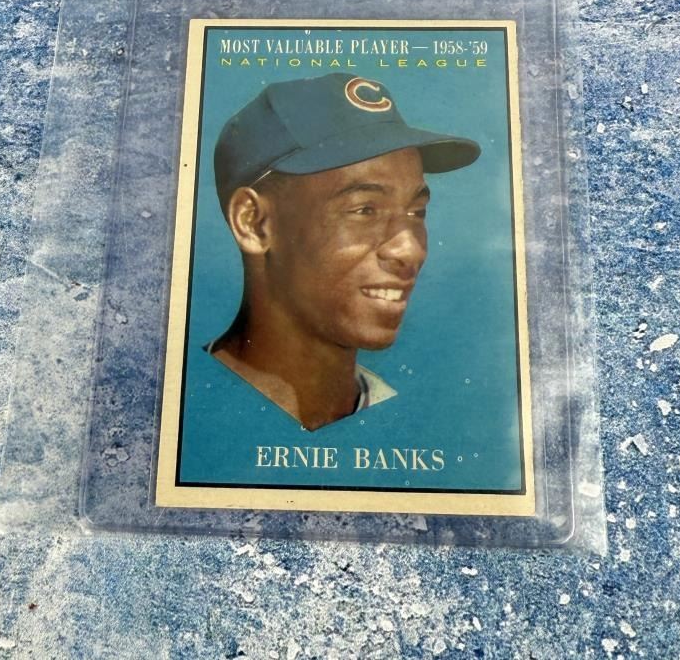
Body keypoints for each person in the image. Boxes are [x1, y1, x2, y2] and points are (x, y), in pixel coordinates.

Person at [205, 73, 480, 431]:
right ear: (254, 223)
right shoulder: (181, 409)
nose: (410, 249)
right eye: (365, 210)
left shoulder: (426, 427)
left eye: (416, 212)